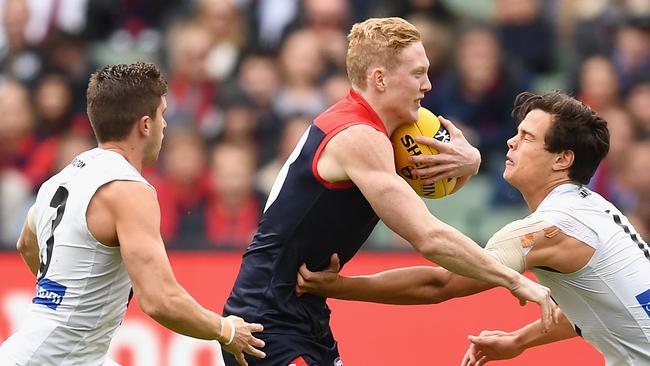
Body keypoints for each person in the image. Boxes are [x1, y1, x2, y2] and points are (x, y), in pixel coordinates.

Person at [222, 17, 553, 366]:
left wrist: (471, 162)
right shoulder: (359, 137)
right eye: (417, 74)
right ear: (379, 79)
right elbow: (429, 238)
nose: (427, 85)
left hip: (302, 313)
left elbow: (435, 185)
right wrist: (514, 281)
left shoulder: (381, 130)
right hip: (267, 320)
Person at [296, 91, 650, 366]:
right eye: (516, 133)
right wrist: (518, 340)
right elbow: (594, 308)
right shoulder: (593, 210)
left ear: (562, 159)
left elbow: (441, 283)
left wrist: (339, 286)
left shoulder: (550, 229)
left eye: (526, 137)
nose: (512, 141)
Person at [0, 62, 265, 366]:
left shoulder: (59, 179)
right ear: (145, 125)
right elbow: (159, 300)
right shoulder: (129, 188)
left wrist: (62, 292)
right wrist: (227, 330)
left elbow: (26, 243)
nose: (165, 125)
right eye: (162, 115)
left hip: (48, 354)